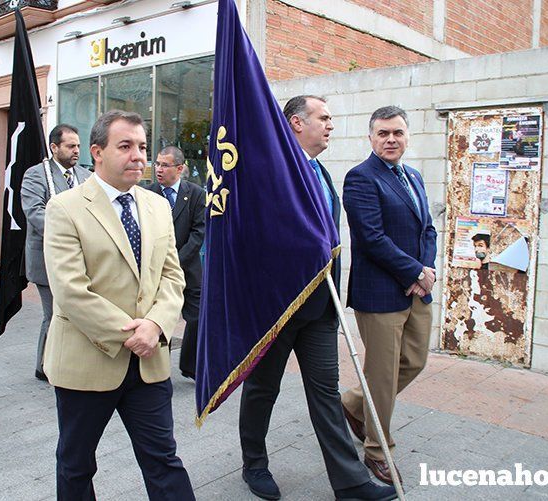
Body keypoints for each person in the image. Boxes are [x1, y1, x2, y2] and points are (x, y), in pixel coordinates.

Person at [239, 95, 395, 501]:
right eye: (323, 118)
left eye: (331, 119)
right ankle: (254, 464)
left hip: (320, 308)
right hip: (278, 306)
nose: (330, 125)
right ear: (295, 123)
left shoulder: (321, 173)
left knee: (325, 391)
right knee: (263, 389)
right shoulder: (271, 172)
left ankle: (350, 482)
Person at [43, 110, 194, 500]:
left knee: (163, 460)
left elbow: (172, 276)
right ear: (97, 152)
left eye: (142, 147)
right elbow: (71, 291)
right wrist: (135, 332)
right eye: (125, 146)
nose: (138, 156)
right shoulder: (65, 207)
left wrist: (157, 325)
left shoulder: (157, 205)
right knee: (76, 464)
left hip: (148, 362)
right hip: (88, 359)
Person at [341, 105, 438, 485]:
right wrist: (414, 271)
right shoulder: (361, 178)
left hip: (417, 289)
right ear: (371, 138)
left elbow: (426, 229)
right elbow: (371, 237)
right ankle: (377, 450)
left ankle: (350, 403)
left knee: (414, 361)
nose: (391, 139)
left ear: (407, 135)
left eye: (397, 132)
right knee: (381, 376)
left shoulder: (413, 176)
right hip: (380, 294)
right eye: (383, 134)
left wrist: (424, 271)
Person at [21, 123, 91, 381]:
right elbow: (34, 212)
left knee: (74, 314)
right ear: (54, 147)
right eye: (70, 146)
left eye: (78, 146)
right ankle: (44, 366)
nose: (76, 151)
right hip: (48, 259)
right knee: (54, 314)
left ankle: (68, 360)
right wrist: (72, 233)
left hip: (82, 259)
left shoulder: (85, 176)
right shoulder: (36, 175)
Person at [146, 146, 205, 379]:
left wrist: (175, 262)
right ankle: (159, 369)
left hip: (188, 269)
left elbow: (199, 232)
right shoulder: (148, 193)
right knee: (161, 319)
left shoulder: (196, 194)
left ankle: (190, 365)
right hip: (156, 272)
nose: (158, 169)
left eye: (164, 165)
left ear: (179, 169)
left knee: (198, 318)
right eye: (157, 164)